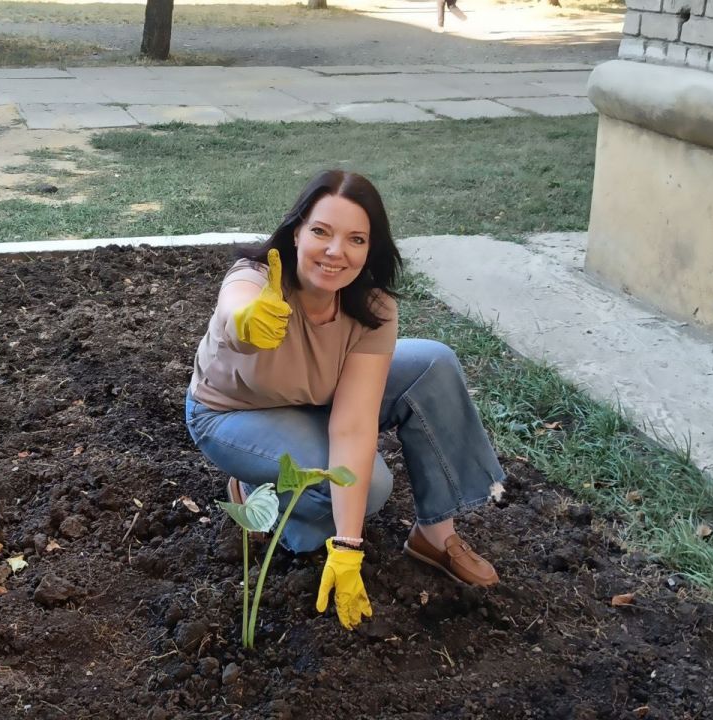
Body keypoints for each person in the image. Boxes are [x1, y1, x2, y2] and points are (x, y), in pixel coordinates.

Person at [185, 170, 506, 631]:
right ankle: (262, 494)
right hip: (234, 414)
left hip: (316, 398)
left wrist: (349, 547)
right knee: (370, 486)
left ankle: (436, 534)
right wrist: (245, 322)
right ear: (297, 232)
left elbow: (353, 424)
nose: (336, 251)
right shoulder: (257, 281)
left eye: (355, 239)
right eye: (321, 232)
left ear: (370, 249)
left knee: (432, 364)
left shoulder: (372, 308)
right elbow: (235, 306)